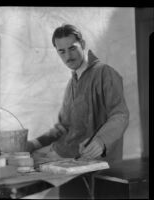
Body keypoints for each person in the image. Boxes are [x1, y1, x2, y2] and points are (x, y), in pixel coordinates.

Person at [27, 24, 129, 163]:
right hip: (71, 161)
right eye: (62, 51)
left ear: (82, 44)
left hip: (100, 166)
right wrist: (34, 144)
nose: (68, 56)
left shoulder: (105, 73)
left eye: (72, 48)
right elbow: (63, 127)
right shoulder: (71, 84)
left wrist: (101, 140)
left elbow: (120, 115)